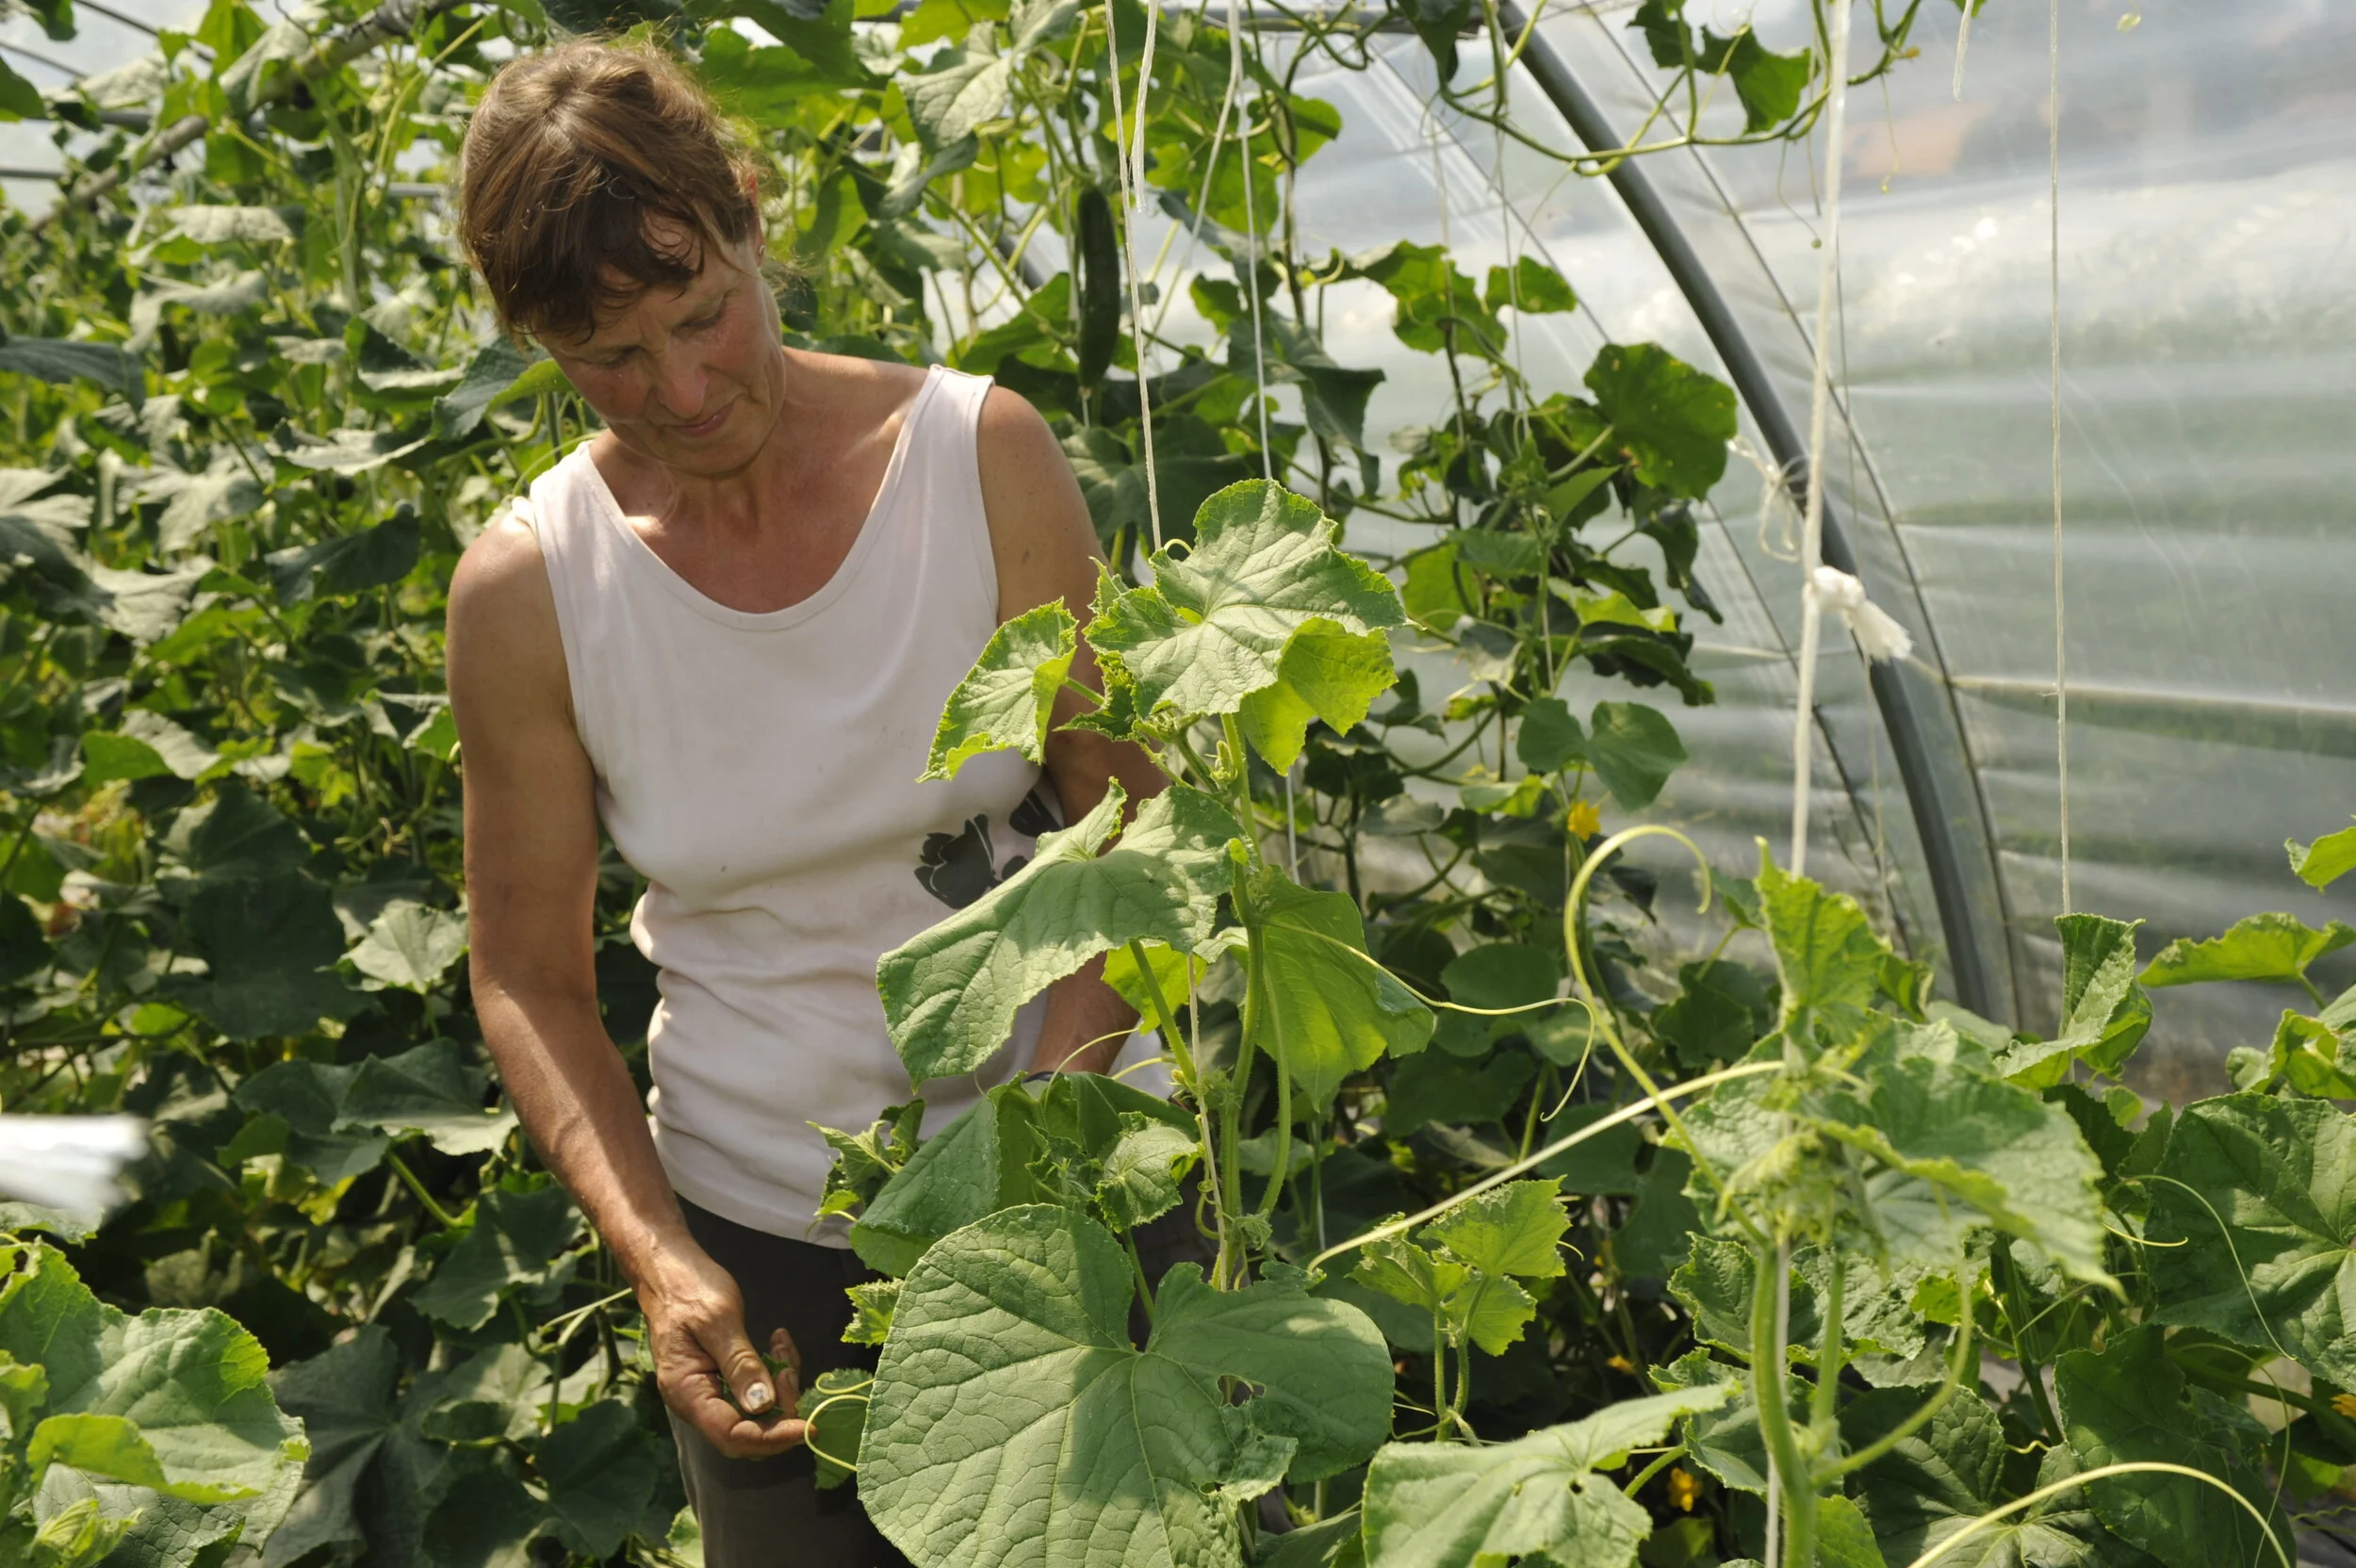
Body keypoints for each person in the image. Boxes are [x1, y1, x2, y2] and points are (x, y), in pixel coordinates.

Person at [443, 39, 1160, 1567]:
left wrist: (1041, 1174)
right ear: (535, 343)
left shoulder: (977, 458)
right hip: (767, 1242)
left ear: (749, 219)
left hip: (1080, 1179)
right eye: (608, 359)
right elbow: (527, 976)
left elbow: (1126, 825)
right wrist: (658, 1257)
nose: (681, 390)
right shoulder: (531, 588)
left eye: (702, 314)